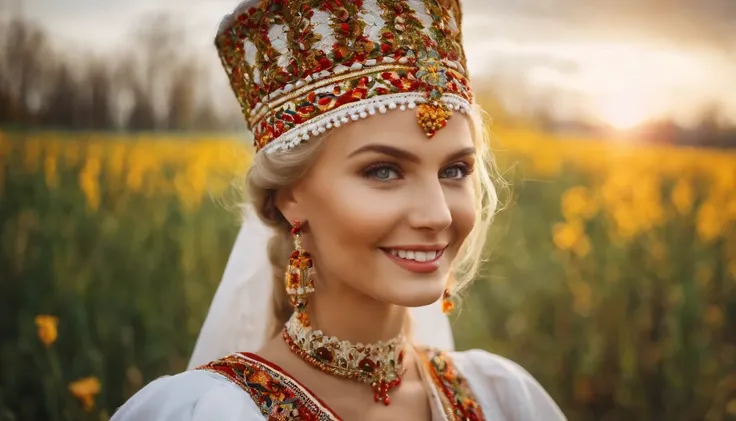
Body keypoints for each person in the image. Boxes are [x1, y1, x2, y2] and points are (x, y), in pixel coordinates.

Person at [111, 0, 567, 419]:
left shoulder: (502, 399)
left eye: (454, 170)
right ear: (290, 195)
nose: (438, 215)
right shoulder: (211, 412)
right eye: (384, 171)